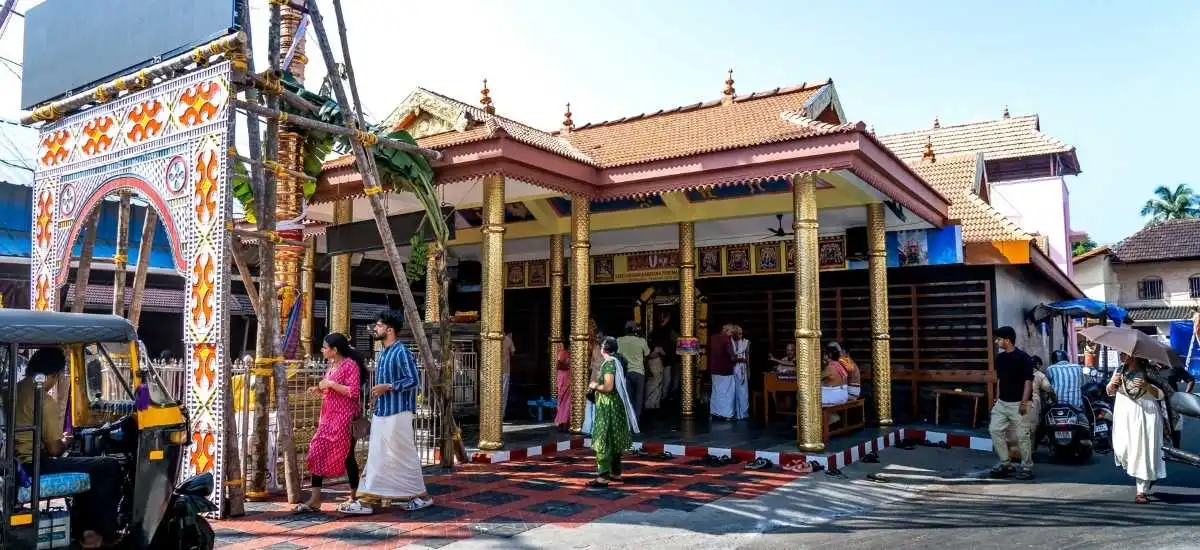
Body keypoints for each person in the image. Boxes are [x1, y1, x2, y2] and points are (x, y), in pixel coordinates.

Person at [16, 348, 121, 548]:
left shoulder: (12, 391)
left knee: (87, 466)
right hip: (33, 466)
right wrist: (66, 441)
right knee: (108, 466)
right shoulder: (43, 400)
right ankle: (99, 534)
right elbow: (55, 450)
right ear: (55, 374)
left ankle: (83, 529)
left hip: (17, 464)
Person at [340, 311, 432, 514]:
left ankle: (421, 496)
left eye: (379, 325)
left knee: (403, 453)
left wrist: (388, 387)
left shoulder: (401, 351)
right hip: (382, 411)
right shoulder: (383, 353)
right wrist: (376, 397)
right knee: (378, 454)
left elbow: (413, 380)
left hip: (398, 412)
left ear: (390, 330)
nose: (376, 328)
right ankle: (369, 498)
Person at [298, 333, 365, 512]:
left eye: (325, 347)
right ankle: (315, 499)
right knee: (316, 452)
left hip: (344, 418)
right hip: (327, 418)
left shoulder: (350, 365)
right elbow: (331, 388)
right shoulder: (332, 365)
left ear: (334, 350)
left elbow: (354, 391)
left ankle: (354, 496)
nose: (322, 350)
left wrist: (330, 384)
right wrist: (319, 389)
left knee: (347, 456)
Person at [1108, 353, 1167, 504]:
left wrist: (1147, 386)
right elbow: (1109, 391)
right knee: (1122, 449)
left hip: (1146, 415)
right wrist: (1112, 384)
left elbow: (1161, 394)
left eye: (1124, 353)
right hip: (1124, 416)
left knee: (1143, 452)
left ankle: (1141, 490)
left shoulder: (1149, 371)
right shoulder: (1119, 370)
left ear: (1134, 356)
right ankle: (1145, 476)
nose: (1121, 355)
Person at [587, 336, 640, 486]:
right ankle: (615, 474)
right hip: (616, 405)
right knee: (614, 439)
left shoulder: (609, 363)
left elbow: (608, 387)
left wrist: (594, 386)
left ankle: (603, 476)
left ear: (603, 349)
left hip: (608, 405)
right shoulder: (618, 360)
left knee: (603, 438)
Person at [988, 326, 1035, 480]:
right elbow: (1000, 380)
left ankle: (1026, 467)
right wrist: (997, 398)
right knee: (994, 430)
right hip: (1002, 403)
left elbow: (1028, 382)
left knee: (1022, 436)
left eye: (999, 339)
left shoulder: (1024, 358)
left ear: (1007, 340)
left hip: (1019, 403)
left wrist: (1024, 403)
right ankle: (1005, 463)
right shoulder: (1000, 358)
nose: (997, 342)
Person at [1006, 354, 1055, 461]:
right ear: (1037, 365)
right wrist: (1054, 397)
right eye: (1040, 366)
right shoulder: (1039, 375)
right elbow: (1048, 387)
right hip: (1031, 405)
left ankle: (1012, 453)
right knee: (1031, 429)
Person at [1145, 358, 1195, 448]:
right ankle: (1160, 450)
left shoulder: (1174, 367)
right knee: (1158, 428)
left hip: (1173, 403)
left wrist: (1185, 396)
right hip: (1156, 403)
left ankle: (1176, 449)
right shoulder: (1149, 368)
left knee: (1175, 429)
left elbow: (1191, 380)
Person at [616, 321, 650, 419]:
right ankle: (636, 420)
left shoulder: (619, 340)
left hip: (626, 373)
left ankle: (629, 420)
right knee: (639, 399)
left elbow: (616, 354)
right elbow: (647, 354)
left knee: (628, 398)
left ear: (625, 330)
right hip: (639, 373)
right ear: (635, 330)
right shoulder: (641, 341)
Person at [708, 324, 736, 420]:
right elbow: (732, 356)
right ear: (726, 331)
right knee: (727, 392)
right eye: (731, 332)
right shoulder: (726, 340)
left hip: (714, 369)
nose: (732, 334)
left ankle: (714, 412)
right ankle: (727, 414)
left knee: (716, 392)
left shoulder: (712, 338)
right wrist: (739, 359)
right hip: (725, 369)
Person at [725, 325, 751, 420]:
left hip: (742, 369)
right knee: (732, 391)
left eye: (741, 333)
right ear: (734, 334)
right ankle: (732, 413)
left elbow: (747, 358)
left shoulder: (746, 342)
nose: (741, 335)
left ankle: (743, 413)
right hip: (732, 368)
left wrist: (748, 370)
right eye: (739, 334)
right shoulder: (728, 342)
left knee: (743, 391)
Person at [553, 343, 572, 431]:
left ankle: (565, 423)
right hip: (564, 380)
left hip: (570, 380)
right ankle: (562, 423)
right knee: (562, 402)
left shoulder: (572, 354)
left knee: (568, 403)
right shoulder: (563, 353)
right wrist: (570, 366)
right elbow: (558, 365)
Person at [500, 330, 516, 419]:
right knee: (504, 392)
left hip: (494, 370)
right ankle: (501, 413)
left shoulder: (492, 338)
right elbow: (513, 353)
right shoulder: (508, 339)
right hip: (505, 370)